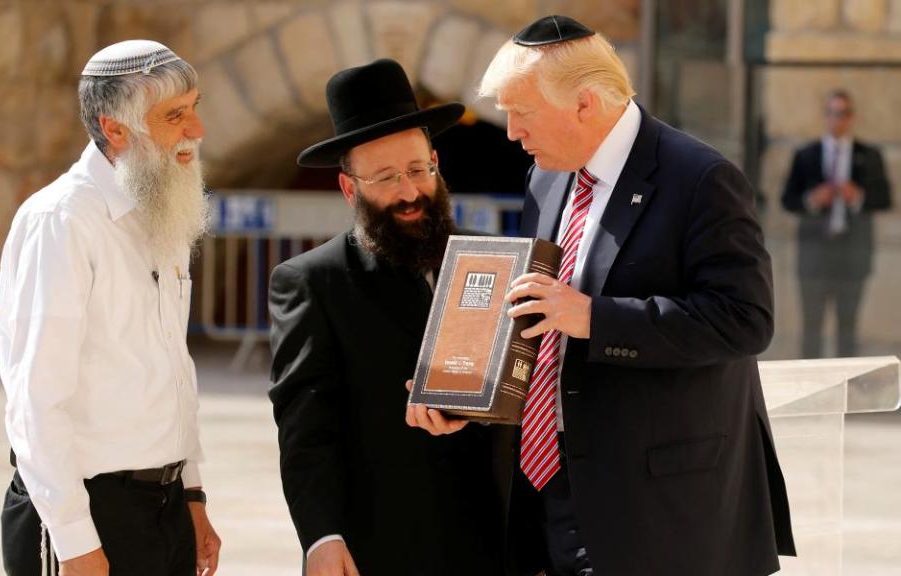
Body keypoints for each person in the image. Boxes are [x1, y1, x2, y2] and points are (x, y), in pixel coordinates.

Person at [410, 15, 796, 576]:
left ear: (585, 104)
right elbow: (541, 314)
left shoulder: (702, 179)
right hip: (555, 489)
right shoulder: (545, 176)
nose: (511, 131)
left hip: (663, 509)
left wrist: (596, 317)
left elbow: (745, 320)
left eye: (523, 112)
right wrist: (467, 389)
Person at [0, 40, 220, 576]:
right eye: (175, 115)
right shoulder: (62, 221)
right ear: (115, 128)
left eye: (194, 107)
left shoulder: (157, 209)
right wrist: (74, 542)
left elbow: (171, 371)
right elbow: (37, 399)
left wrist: (191, 495)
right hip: (88, 514)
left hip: (161, 510)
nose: (197, 130)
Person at [268, 58, 502, 576]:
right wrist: (321, 537)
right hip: (386, 542)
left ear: (437, 162)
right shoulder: (312, 281)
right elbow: (306, 428)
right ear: (350, 189)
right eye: (386, 177)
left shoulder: (493, 261)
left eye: (419, 170)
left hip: (500, 540)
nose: (409, 191)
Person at [782, 89, 892, 358]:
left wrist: (857, 197)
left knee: (847, 327)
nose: (837, 120)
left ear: (851, 117)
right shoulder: (806, 154)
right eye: (832, 113)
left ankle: (848, 389)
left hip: (852, 253)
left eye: (843, 113)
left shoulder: (869, 155)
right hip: (814, 253)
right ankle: (808, 385)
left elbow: (885, 198)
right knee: (811, 326)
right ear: (825, 116)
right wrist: (812, 199)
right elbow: (788, 199)